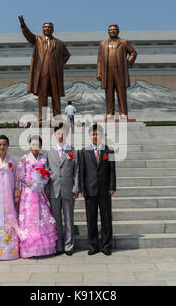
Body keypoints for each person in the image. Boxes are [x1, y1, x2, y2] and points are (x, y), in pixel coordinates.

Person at [18, 15, 70, 121]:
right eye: (45, 27)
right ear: (43, 29)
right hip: (42, 73)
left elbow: (67, 55)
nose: (47, 29)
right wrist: (23, 26)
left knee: (56, 96)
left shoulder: (59, 43)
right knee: (43, 97)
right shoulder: (38, 40)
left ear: (53, 29)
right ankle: (43, 116)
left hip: (55, 74)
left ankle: (57, 116)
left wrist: (59, 65)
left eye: (49, 27)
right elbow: (29, 36)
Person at [16, 135, 58, 258]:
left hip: (40, 192)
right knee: (29, 218)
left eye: (37, 145)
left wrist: (44, 178)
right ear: (29, 145)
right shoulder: (24, 158)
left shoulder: (43, 158)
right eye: (33, 144)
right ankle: (29, 248)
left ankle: (43, 246)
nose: (35, 147)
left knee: (41, 217)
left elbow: (47, 173)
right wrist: (31, 182)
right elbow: (20, 175)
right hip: (28, 193)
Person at [80, 124, 116, 255]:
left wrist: (112, 186)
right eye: (93, 134)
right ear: (90, 136)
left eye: (98, 134)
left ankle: (106, 246)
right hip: (89, 190)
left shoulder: (109, 151)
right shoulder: (84, 151)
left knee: (106, 218)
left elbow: (112, 170)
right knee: (91, 219)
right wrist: (82, 188)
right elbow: (82, 171)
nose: (95, 136)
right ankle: (93, 246)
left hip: (105, 190)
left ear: (102, 135)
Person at [46, 123, 79, 256]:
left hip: (68, 189)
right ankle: (59, 245)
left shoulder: (73, 151)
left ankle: (69, 246)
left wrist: (76, 188)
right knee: (57, 219)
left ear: (67, 135)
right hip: (54, 189)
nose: (61, 136)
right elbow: (46, 171)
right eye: (58, 133)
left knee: (69, 218)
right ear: (55, 135)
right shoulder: (50, 152)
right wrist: (47, 188)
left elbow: (77, 171)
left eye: (63, 133)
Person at [97, 24, 137, 120]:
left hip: (120, 71)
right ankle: (110, 114)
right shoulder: (103, 44)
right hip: (107, 72)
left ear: (118, 31)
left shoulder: (124, 42)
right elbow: (99, 59)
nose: (112, 31)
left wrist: (128, 63)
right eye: (110, 30)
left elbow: (133, 52)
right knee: (109, 94)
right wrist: (99, 73)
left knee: (121, 93)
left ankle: (123, 114)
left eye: (114, 30)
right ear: (108, 32)